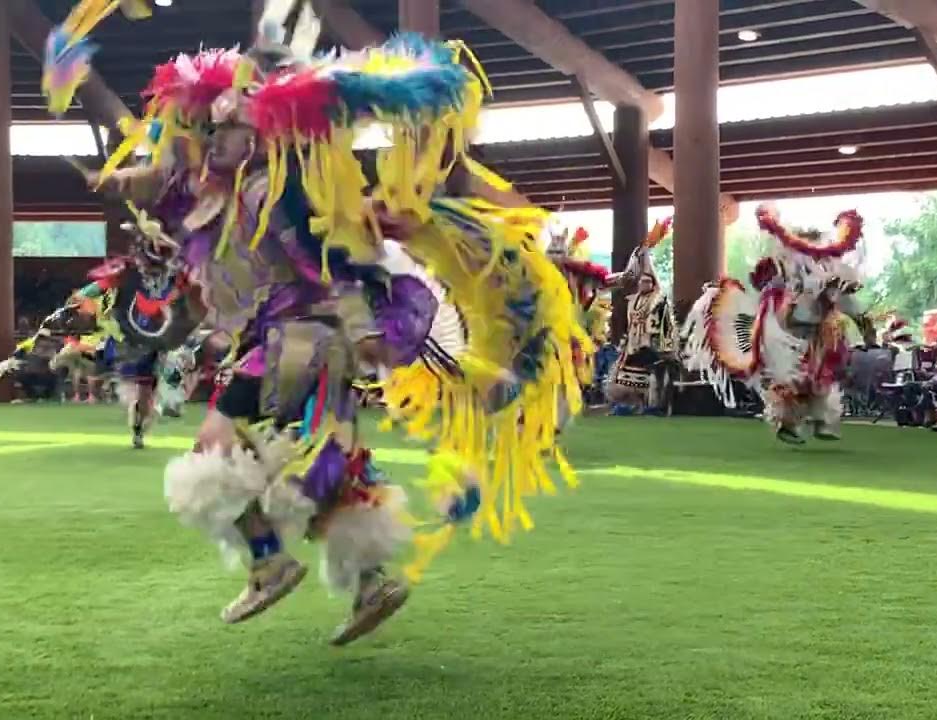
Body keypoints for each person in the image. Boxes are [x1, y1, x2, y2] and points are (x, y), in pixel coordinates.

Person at [42, 3, 583, 645]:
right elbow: (163, 189)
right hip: (288, 343)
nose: (214, 139)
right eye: (209, 130)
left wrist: (361, 329)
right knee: (320, 465)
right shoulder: (220, 203)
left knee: (214, 451)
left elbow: (330, 263)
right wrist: (110, 180)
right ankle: (369, 581)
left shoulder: (275, 193)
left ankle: (269, 562)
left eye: (227, 127)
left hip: (300, 339)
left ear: (258, 131)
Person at [683, 206, 867, 444]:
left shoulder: (829, 270)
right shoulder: (782, 272)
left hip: (816, 333)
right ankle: (788, 422)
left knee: (820, 373)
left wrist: (858, 319)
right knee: (789, 377)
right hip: (783, 332)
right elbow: (766, 285)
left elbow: (844, 298)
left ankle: (822, 419)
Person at [607, 271, 678, 413]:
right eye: (642, 281)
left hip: (652, 343)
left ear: (653, 284)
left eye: (648, 282)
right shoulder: (632, 301)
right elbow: (629, 322)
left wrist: (666, 345)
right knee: (625, 374)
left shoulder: (659, 301)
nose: (645, 284)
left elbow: (666, 325)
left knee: (650, 376)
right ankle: (632, 404)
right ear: (638, 284)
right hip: (633, 342)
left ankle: (652, 405)